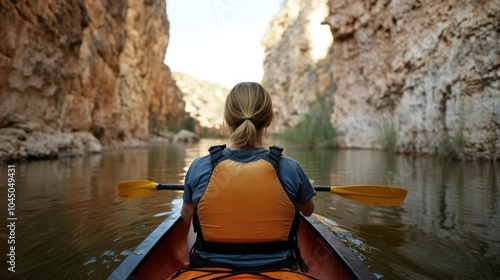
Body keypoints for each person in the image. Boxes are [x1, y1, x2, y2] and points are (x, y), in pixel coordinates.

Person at [180, 82, 315, 273]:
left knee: (194, 217)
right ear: (269, 120)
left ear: (227, 120)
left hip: (211, 270)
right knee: (293, 218)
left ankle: (197, 268)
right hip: (276, 269)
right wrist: (306, 189)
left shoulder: (199, 167)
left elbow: (186, 216)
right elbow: (308, 211)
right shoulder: (290, 168)